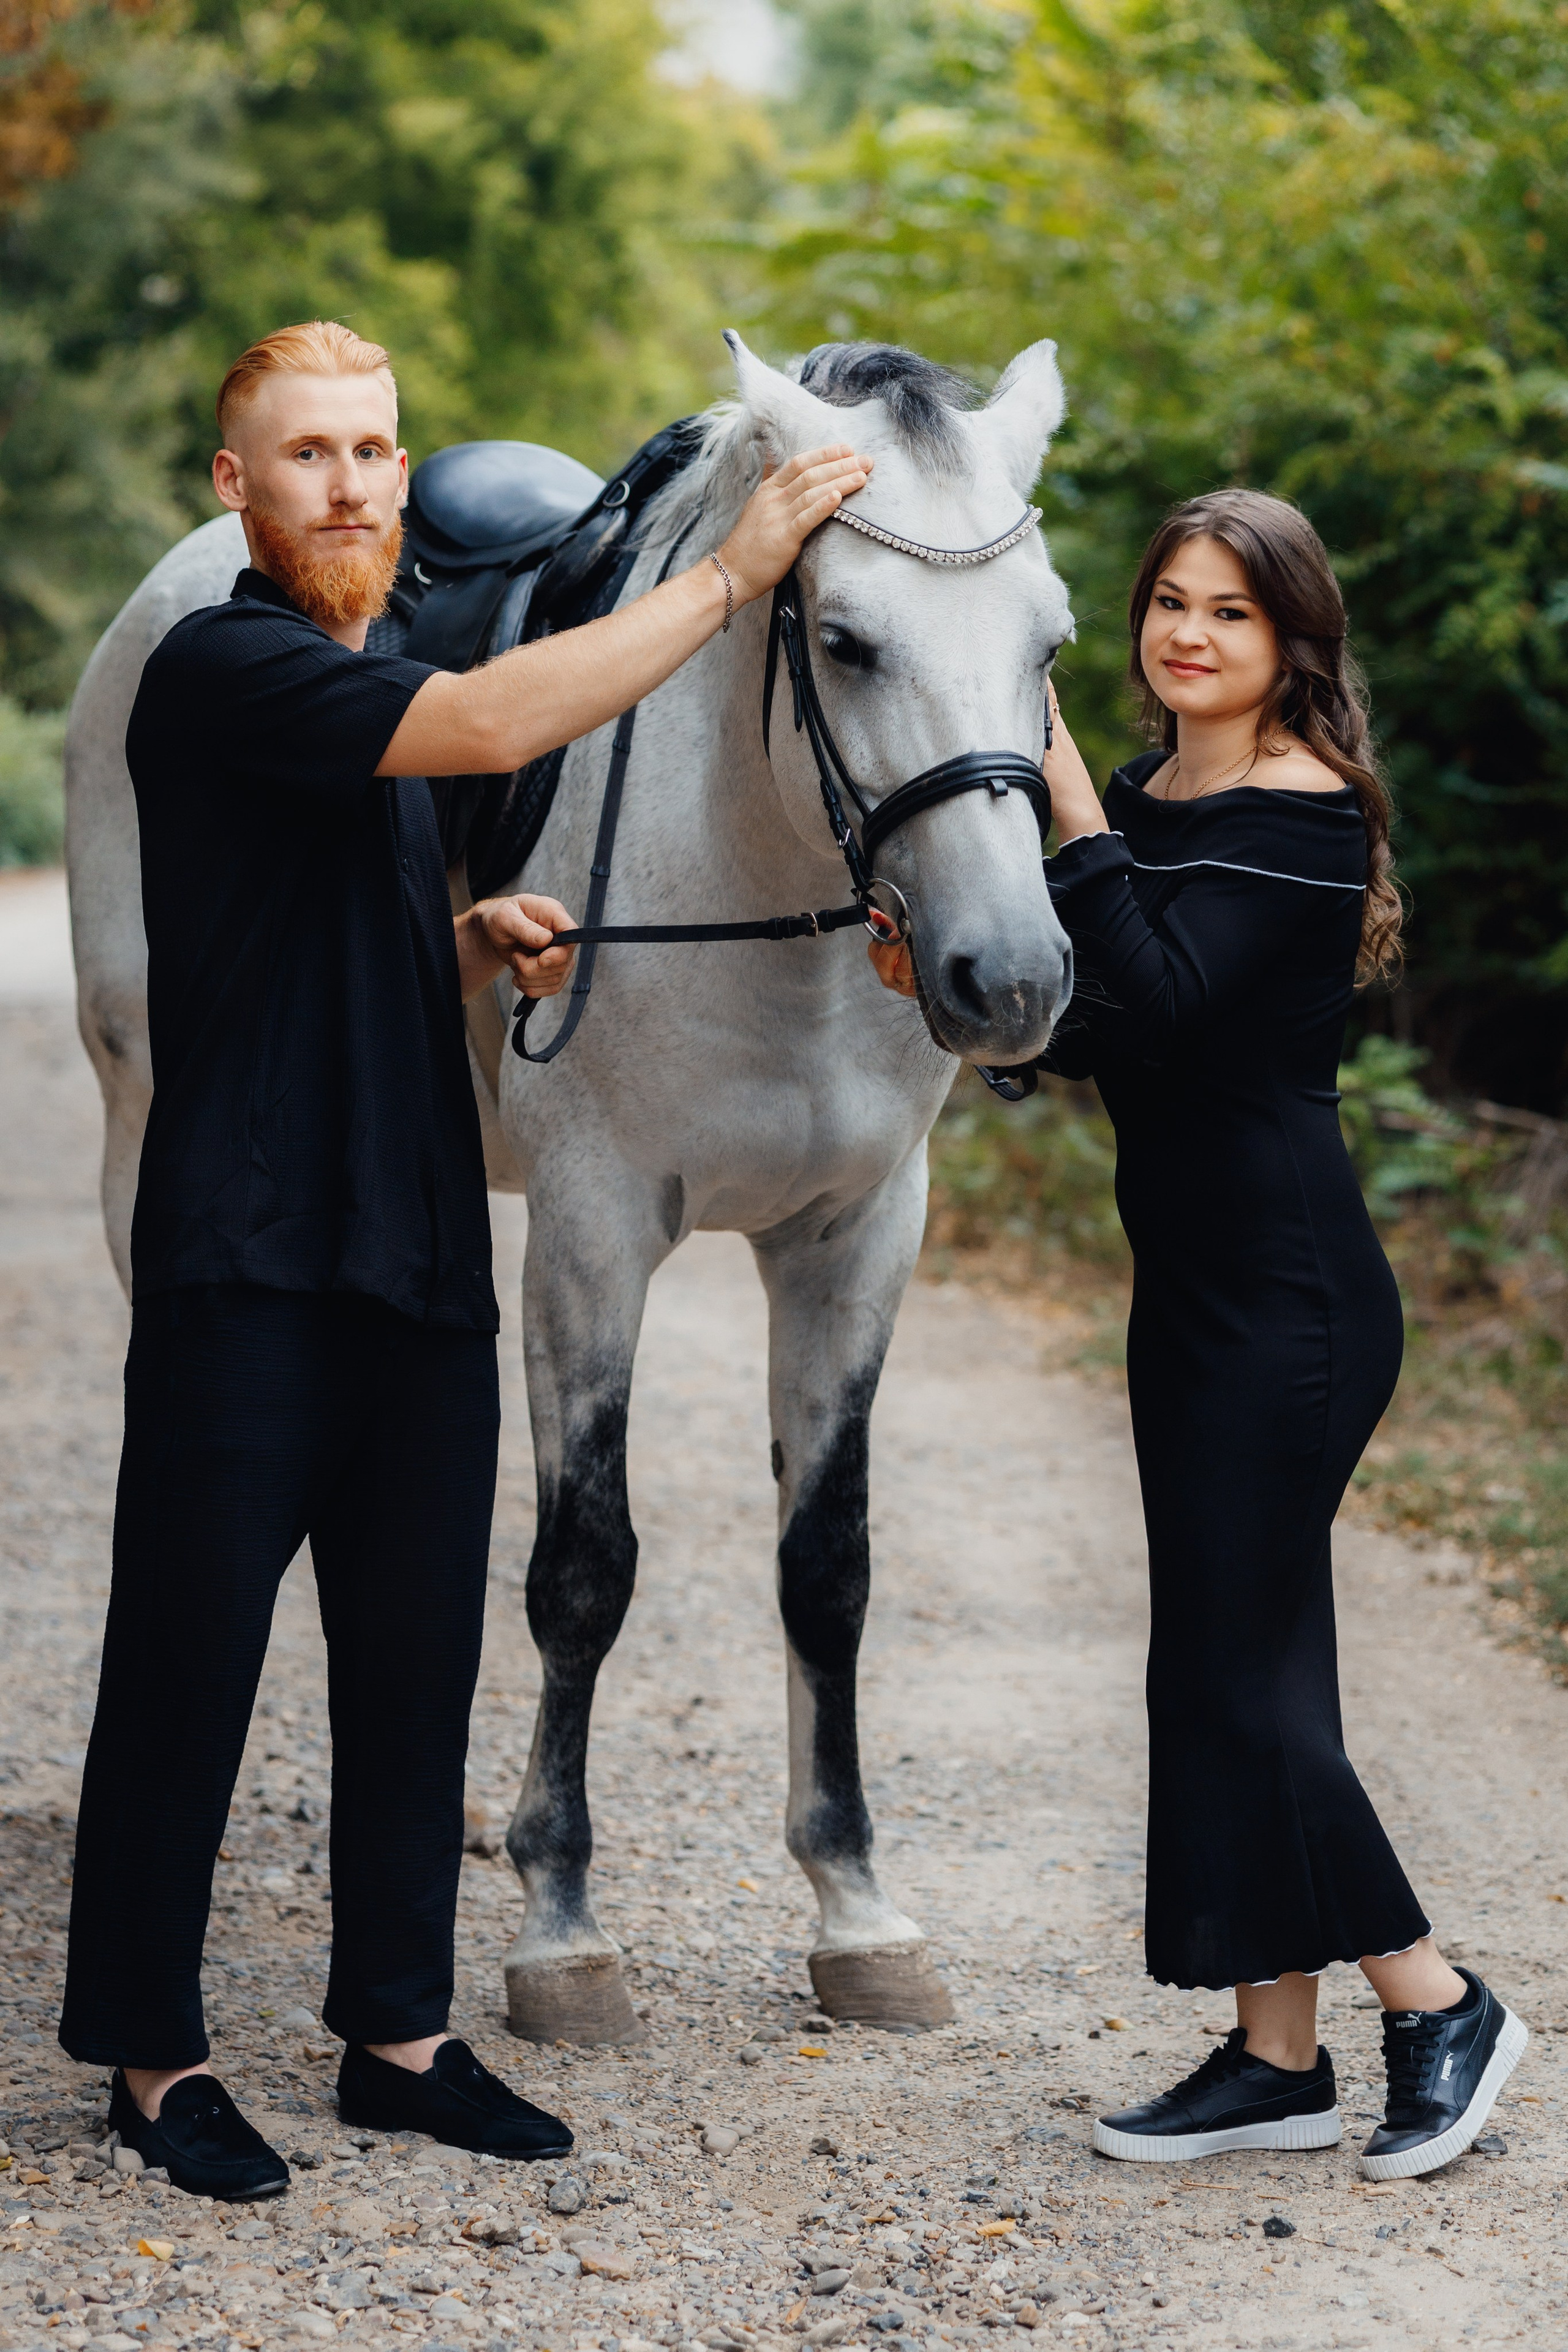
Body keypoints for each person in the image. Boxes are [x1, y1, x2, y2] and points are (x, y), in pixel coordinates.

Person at [59, 318, 873, 2201]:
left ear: (404, 476)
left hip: (414, 1247)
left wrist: (468, 941)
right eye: (309, 453)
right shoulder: (225, 665)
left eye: (373, 450)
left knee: (419, 1662)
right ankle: (157, 2062)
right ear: (234, 484)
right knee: (189, 1662)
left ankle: (398, 2042)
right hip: (245, 1257)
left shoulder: (380, 681)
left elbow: (334, 940)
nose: (350, 483)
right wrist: (738, 572)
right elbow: (508, 725)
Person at [869, 488, 1526, 2180]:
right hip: (1195, 1292)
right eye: (1168, 601)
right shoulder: (1165, 797)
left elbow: (1157, 991)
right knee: (1224, 1669)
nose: (1186, 635)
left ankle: (1438, 1998)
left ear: (1289, 642)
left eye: (1228, 612)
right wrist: (957, 994)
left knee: (1249, 1686)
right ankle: (1274, 2055)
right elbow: (1107, 1035)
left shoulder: (1304, 813)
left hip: (1294, 1302)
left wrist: (1068, 793)